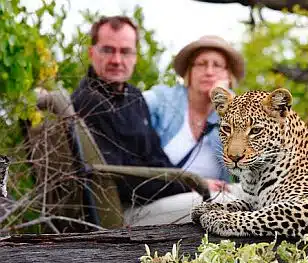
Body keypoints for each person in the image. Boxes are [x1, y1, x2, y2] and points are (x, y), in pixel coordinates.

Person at [71, 15, 192, 209]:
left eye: (125, 52)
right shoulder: (87, 101)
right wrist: (187, 185)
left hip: (155, 199)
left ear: (135, 57)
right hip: (126, 212)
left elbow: (156, 157)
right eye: (108, 50)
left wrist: (190, 181)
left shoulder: (134, 96)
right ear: (91, 53)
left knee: (228, 196)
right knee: (215, 205)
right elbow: (119, 180)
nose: (117, 60)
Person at [143, 35, 245, 191]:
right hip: (159, 196)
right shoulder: (163, 99)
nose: (209, 72)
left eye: (217, 65)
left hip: (212, 204)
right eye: (202, 64)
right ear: (189, 72)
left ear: (228, 76)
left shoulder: (234, 113)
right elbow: (128, 108)